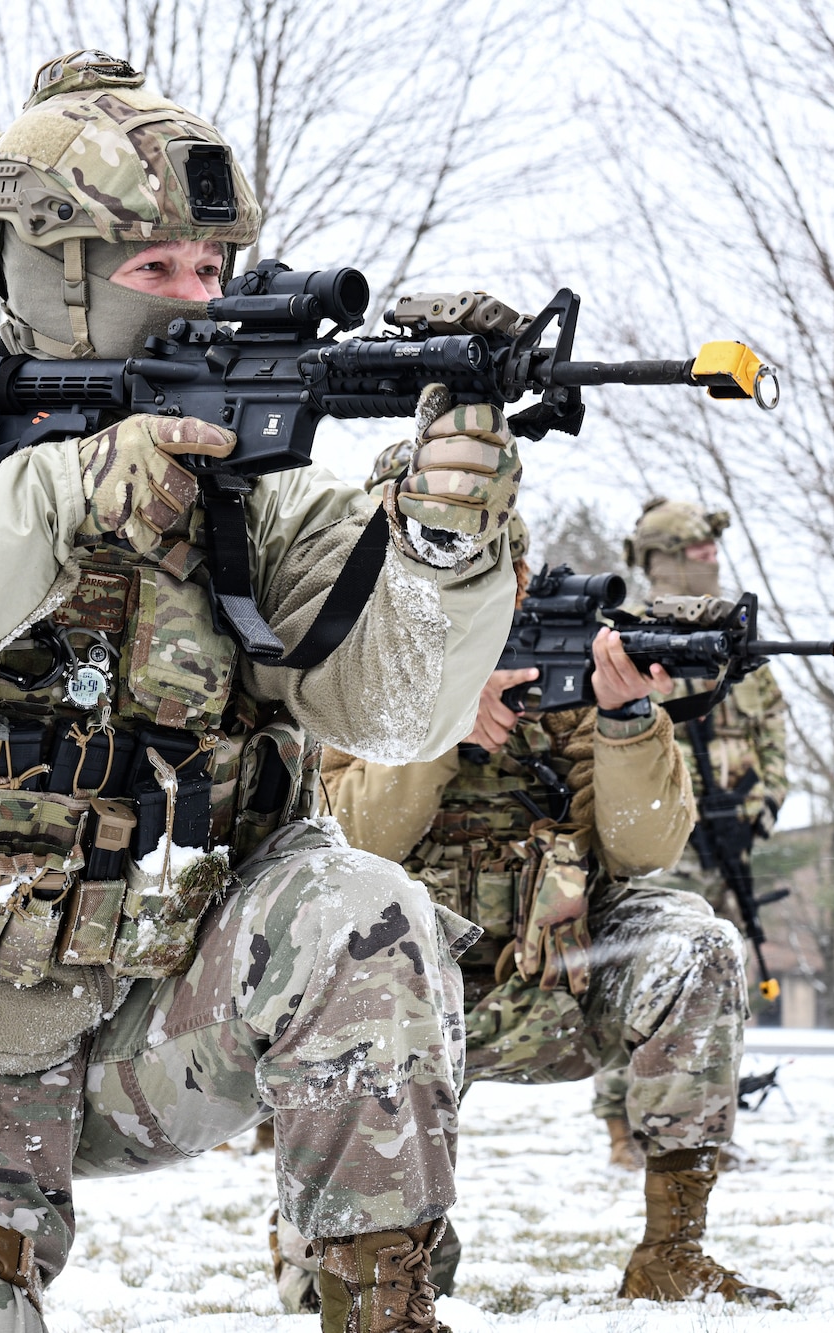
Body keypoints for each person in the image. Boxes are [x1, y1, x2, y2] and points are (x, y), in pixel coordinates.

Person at [0, 50, 522, 1333]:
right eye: (159, 270)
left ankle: (384, 1308)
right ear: (56, 274)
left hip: (159, 1015)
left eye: (212, 272)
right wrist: (67, 491)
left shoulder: (251, 490)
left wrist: (445, 530)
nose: (196, 301)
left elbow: (401, 710)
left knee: (361, 913)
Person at [271, 500, 779, 1307]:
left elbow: (644, 849)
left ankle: (672, 1251)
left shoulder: (564, 653)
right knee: (334, 1294)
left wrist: (626, 720)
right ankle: (388, 1259)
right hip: (398, 996)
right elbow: (355, 839)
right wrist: (440, 727)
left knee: (697, 945)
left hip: (558, 975)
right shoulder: (350, 659)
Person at [591, 496, 787, 1165]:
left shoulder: (736, 644)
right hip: (660, 833)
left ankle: (699, 1129)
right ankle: (624, 1126)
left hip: (729, 839)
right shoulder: (626, 637)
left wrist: (763, 807)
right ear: (665, 559)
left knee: (713, 975)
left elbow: (773, 737)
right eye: (700, 552)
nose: (712, 562)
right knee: (638, 977)